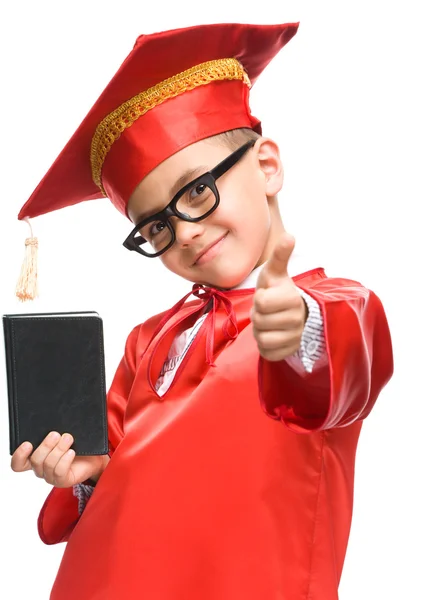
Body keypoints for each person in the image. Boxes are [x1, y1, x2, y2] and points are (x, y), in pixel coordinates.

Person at [10, 22, 393, 600]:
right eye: (157, 226)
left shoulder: (335, 304)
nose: (184, 232)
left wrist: (297, 330)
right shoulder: (150, 341)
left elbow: (338, 364)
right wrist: (80, 476)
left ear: (266, 166)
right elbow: (112, 478)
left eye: (196, 191)